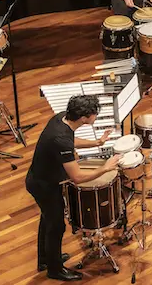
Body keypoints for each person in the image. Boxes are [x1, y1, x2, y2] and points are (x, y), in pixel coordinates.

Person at [25, 95, 121, 281]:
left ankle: (46, 259)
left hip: (40, 179)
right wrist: (105, 168)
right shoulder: (60, 139)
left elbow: (71, 141)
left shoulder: (62, 118)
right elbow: (77, 177)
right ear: (84, 117)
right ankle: (55, 270)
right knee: (56, 226)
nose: (96, 116)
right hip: (43, 185)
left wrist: (96, 143)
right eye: (94, 114)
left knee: (48, 220)